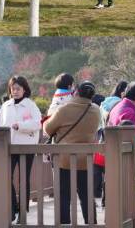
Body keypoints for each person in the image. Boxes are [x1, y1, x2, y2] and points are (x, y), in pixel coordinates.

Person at [44, 81, 101, 225]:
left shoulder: (65, 109)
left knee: (63, 194)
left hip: (64, 158)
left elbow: (48, 129)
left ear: (75, 92)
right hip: (86, 160)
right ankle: (91, 223)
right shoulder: (96, 110)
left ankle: (64, 223)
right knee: (86, 195)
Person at [0, 76, 42, 222]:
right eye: (13, 88)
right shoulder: (6, 105)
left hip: (26, 147)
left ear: (24, 89)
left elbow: (37, 123)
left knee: (23, 179)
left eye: (18, 89)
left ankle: (23, 210)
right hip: (8, 147)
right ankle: (13, 207)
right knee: (5, 177)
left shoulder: (30, 105)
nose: (15, 91)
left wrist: (20, 125)